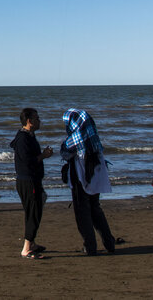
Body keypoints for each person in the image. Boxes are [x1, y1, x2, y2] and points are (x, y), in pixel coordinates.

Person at [60, 109, 117, 255]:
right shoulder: (94, 137)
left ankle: (90, 246)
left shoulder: (73, 140)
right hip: (95, 179)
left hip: (80, 179)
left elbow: (65, 153)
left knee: (82, 213)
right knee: (96, 210)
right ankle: (109, 243)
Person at [9, 107, 53, 259]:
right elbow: (27, 161)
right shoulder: (23, 138)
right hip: (27, 181)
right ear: (29, 121)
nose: (39, 120)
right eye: (37, 118)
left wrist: (42, 156)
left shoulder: (29, 136)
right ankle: (26, 248)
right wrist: (43, 156)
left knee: (35, 210)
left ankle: (31, 243)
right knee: (33, 212)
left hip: (32, 180)